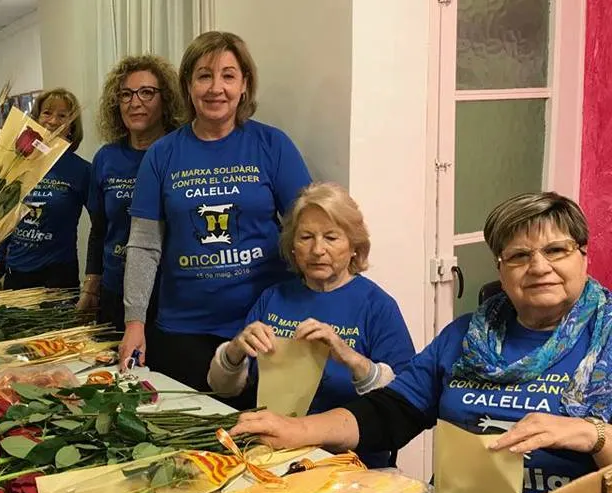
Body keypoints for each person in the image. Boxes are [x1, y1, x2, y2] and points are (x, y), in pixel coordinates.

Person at [232, 192, 612, 493]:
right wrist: (297, 429)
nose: (538, 267)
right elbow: (390, 411)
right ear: (501, 269)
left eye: (556, 250)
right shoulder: (465, 336)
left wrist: (593, 435)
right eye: (519, 256)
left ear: (583, 256)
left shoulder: (605, 338)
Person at [120, 31, 312, 389]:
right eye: (204, 76)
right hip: (183, 331)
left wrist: (320, 302)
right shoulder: (162, 155)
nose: (215, 88)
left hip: (265, 330)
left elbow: (306, 230)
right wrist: (135, 322)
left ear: (244, 85)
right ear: (188, 86)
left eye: (228, 75)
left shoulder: (273, 145)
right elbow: (144, 246)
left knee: (260, 438)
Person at [209, 183, 414, 466]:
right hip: (273, 458)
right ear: (292, 246)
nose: (318, 250)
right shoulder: (273, 297)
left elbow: (407, 404)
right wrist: (234, 352)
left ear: (354, 246)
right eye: (306, 237)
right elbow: (224, 389)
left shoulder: (376, 305)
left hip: (350, 464)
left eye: (331, 237)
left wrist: (350, 357)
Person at [80, 54, 186, 330]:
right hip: (116, 288)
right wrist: (92, 283)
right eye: (126, 94)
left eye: (147, 93)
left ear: (167, 100)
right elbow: (99, 228)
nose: (135, 102)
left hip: (169, 292)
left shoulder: (181, 154)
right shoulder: (106, 158)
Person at [2, 88, 92, 289]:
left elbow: (100, 225)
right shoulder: (16, 164)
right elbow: (2, 217)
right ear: (36, 118)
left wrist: (93, 280)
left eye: (62, 115)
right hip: (15, 272)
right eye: (47, 113)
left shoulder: (81, 170)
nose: (52, 121)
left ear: (72, 126)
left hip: (57, 276)